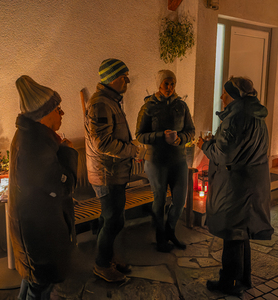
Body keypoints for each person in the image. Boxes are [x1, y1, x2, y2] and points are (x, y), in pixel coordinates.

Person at [197, 76, 274, 296]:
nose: (221, 97)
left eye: (224, 93)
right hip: (252, 182)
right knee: (242, 232)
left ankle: (228, 282)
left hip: (237, 185)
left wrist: (206, 145)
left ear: (233, 95)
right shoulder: (255, 114)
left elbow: (223, 154)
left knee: (232, 232)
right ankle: (243, 279)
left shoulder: (236, 117)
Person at [8, 75, 78, 300]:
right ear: (44, 114)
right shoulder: (36, 145)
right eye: (58, 109)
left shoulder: (33, 137)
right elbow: (62, 186)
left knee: (32, 282)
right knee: (40, 287)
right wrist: (68, 153)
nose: (62, 113)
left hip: (34, 232)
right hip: (40, 235)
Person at [85, 58, 139, 282]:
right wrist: (132, 150)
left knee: (111, 218)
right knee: (114, 220)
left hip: (113, 172)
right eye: (124, 76)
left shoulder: (111, 100)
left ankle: (108, 256)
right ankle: (102, 264)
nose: (127, 80)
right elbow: (103, 143)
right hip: (106, 174)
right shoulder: (100, 103)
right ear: (114, 79)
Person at [135, 70, 195, 253]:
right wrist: (161, 135)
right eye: (166, 83)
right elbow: (139, 136)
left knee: (179, 199)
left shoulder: (181, 106)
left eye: (172, 83)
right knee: (159, 199)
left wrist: (180, 139)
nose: (169, 87)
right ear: (159, 84)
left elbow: (190, 130)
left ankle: (170, 232)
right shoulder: (148, 107)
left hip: (178, 160)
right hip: (156, 161)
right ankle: (161, 238)